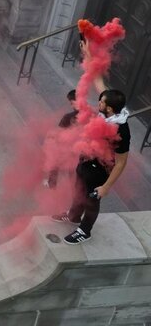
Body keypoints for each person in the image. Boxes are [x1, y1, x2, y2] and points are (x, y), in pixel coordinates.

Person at [54, 41, 131, 245]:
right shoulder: (111, 109)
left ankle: (84, 230)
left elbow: (122, 162)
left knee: (91, 199)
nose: (98, 103)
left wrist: (106, 187)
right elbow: (98, 79)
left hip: (99, 170)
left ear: (111, 109)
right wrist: (88, 54)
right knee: (78, 191)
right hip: (86, 161)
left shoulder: (121, 130)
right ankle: (72, 216)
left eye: (102, 103)